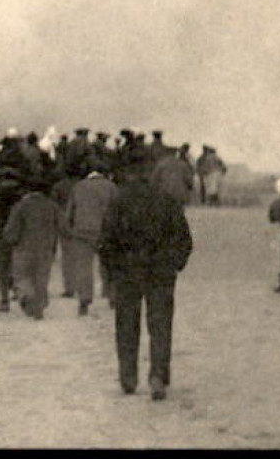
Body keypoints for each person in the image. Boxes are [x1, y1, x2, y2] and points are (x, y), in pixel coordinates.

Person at [98, 160, 193, 400]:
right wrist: (173, 264)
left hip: (128, 272)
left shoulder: (119, 201)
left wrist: (113, 270)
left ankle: (128, 378)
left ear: (128, 175)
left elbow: (106, 241)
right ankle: (158, 376)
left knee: (126, 326)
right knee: (160, 326)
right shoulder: (167, 201)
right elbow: (184, 240)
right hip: (160, 273)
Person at [64, 160, 118, 316]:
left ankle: (84, 300)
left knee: (84, 267)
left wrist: (69, 230)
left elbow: (70, 212)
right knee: (109, 264)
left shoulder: (78, 186)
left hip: (82, 232)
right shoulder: (111, 187)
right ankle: (112, 297)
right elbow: (118, 210)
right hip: (106, 232)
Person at [3, 178, 62, 319]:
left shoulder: (20, 206)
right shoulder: (52, 206)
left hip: (23, 248)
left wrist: (10, 240)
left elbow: (11, 229)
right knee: (41, 278)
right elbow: (63, 226)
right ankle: (39, 307)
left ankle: (26, 295)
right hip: (46, 249)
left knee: (22, 276)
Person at [0, 168, 26, 312]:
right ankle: (20, 294)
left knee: (2, 269)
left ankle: (4, 300)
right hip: (19, 238)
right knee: (19, 267)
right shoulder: (22, 197)